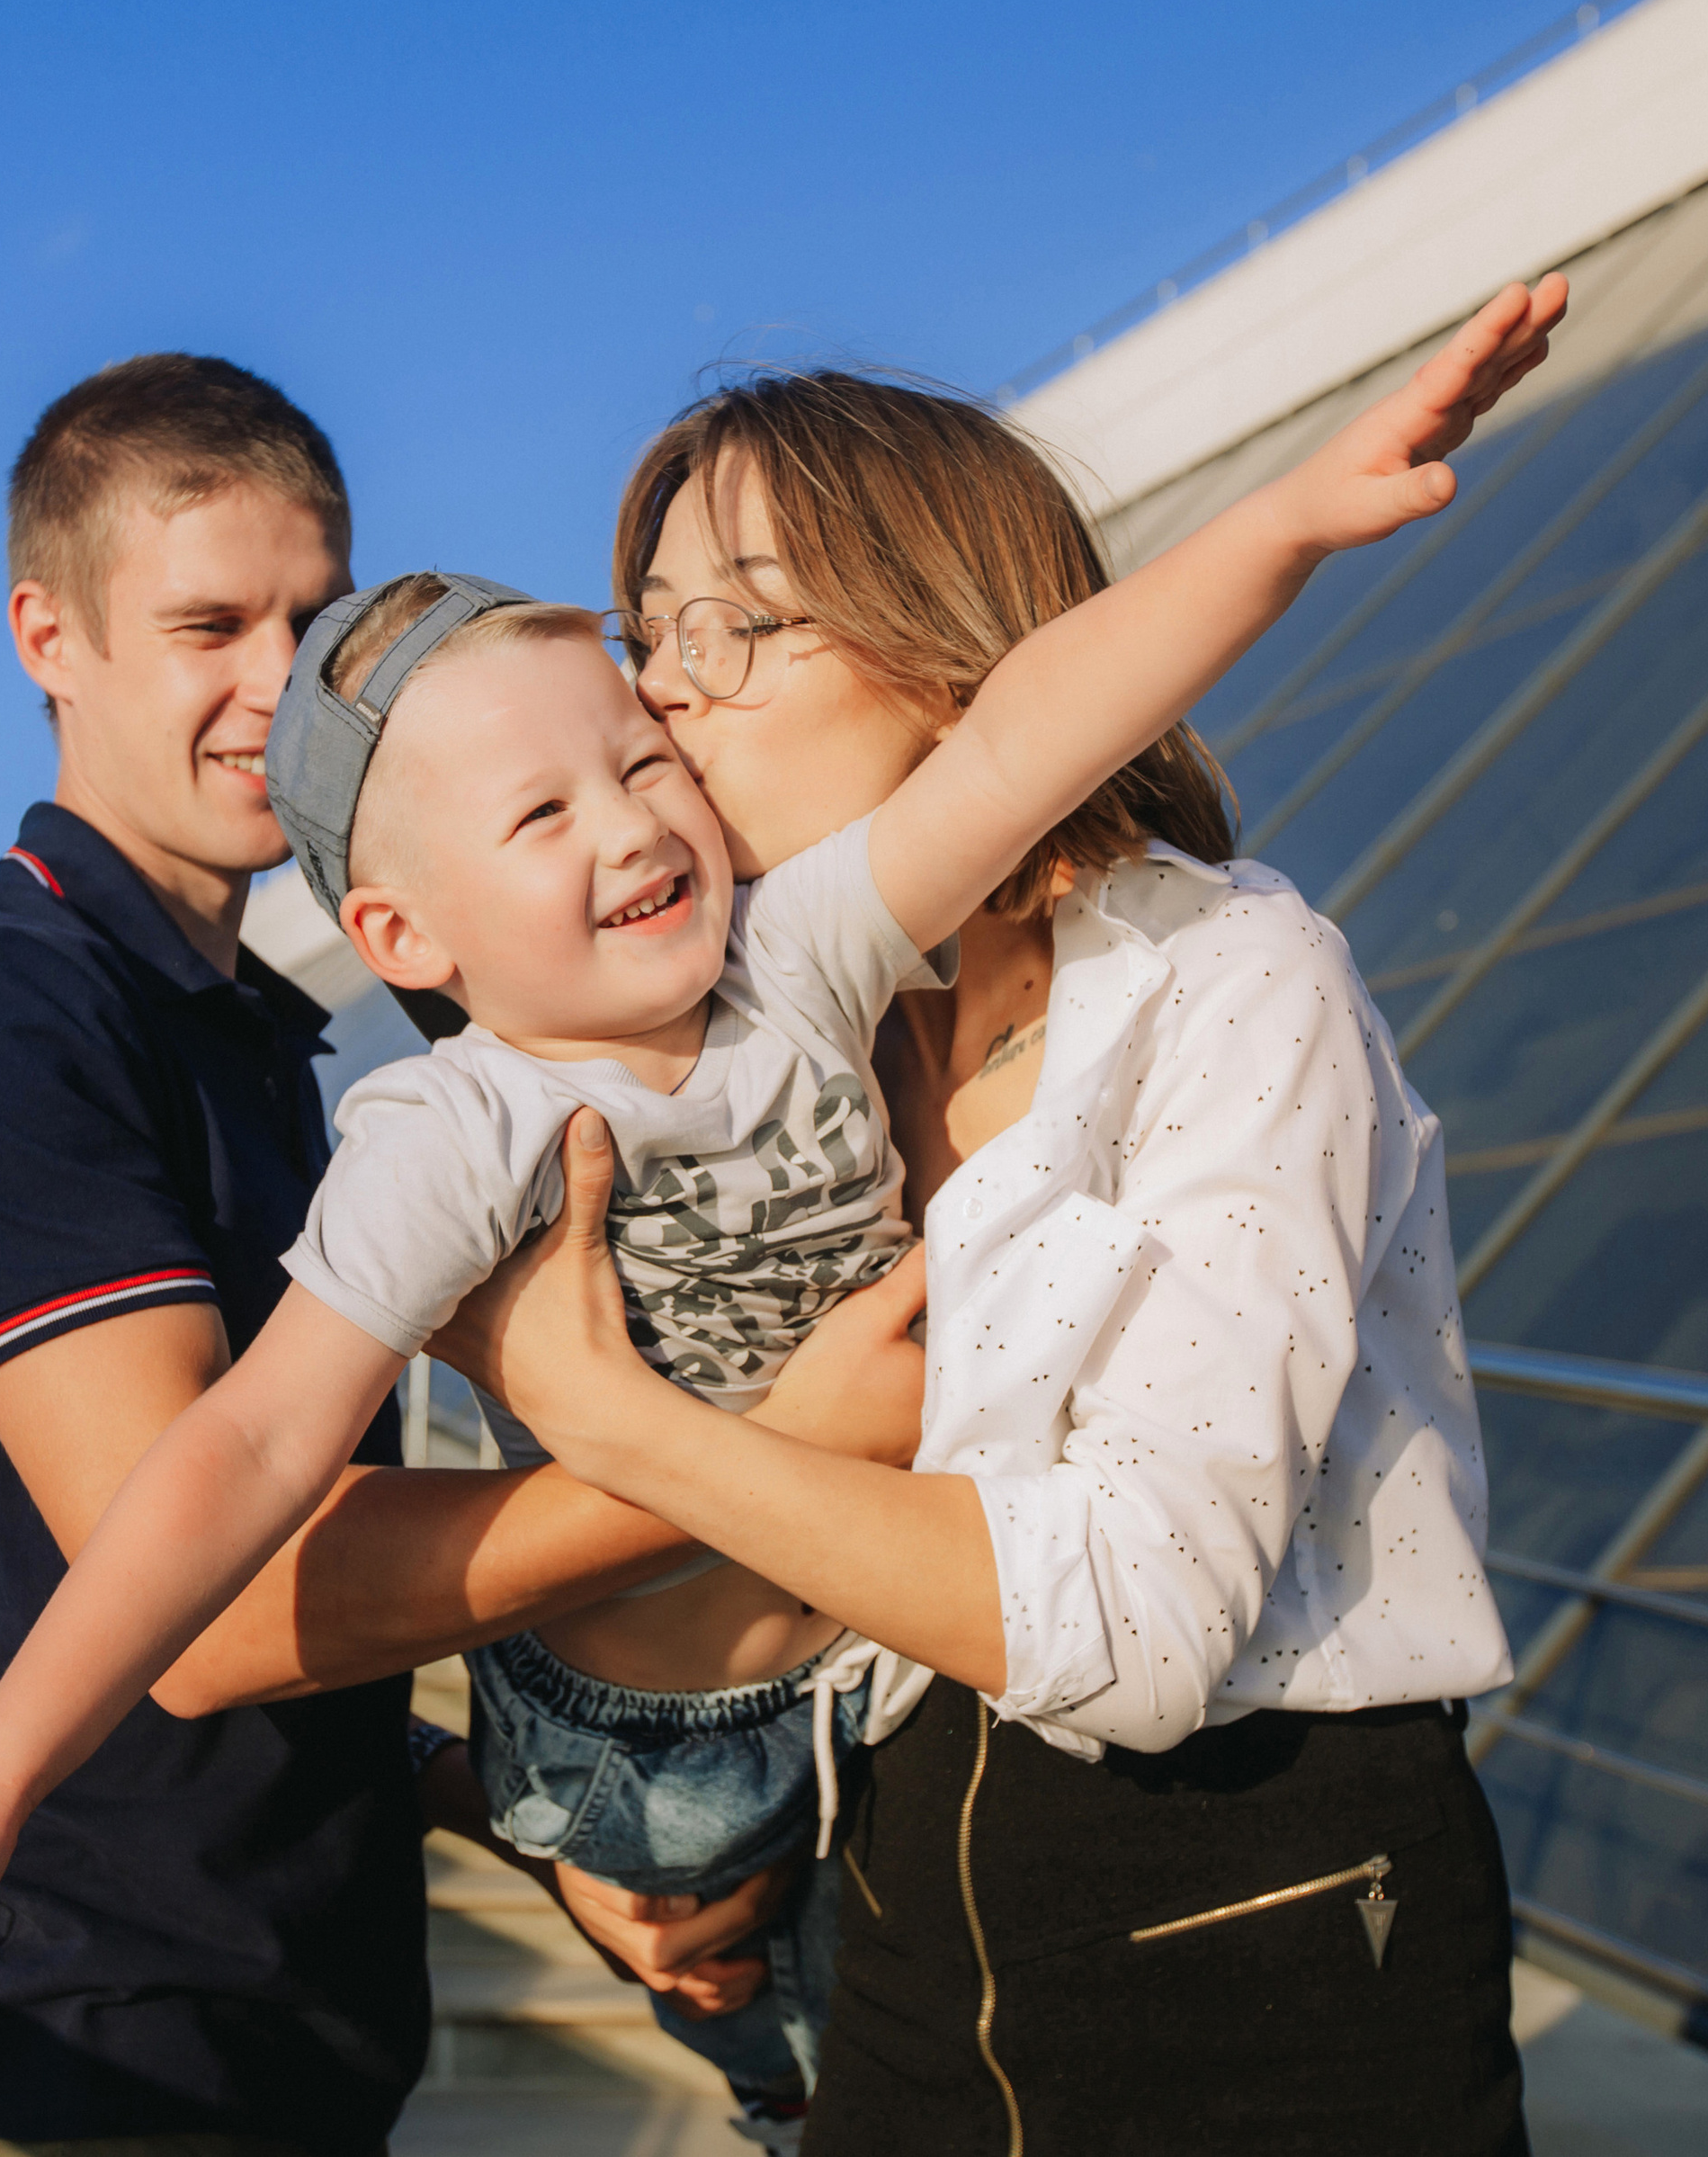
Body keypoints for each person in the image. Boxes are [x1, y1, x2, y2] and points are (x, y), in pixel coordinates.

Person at [0, 283, 1558, 2157]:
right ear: (403, 930)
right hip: (167, 1989)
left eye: (677, 693)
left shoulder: (824, 966)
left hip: (943, 1819)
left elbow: (1026, 739)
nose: (649, 743)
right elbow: (237, 1481)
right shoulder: (372, 1094)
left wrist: (1285, 521)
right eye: (648, 649)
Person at [431, 295, 1567, 2154]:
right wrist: (639, 1836)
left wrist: (621, 1424)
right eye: (650, 632)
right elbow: (786, 1582)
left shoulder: (1225, 976)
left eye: (738, 623)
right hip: (904, 1926)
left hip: (1266, 1932)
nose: (668, 692)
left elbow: (1143, 1625)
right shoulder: (768, 1063)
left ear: (953, 659)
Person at [0, 353, 837, 2157]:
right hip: (51, 2074)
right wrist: (786, 1458)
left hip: (290, 2052)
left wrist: (525, 1819)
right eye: (208, 625)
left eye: (312, 621)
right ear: (48, 636)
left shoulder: (247, 1035)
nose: (278, 685)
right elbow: (221, 1606)